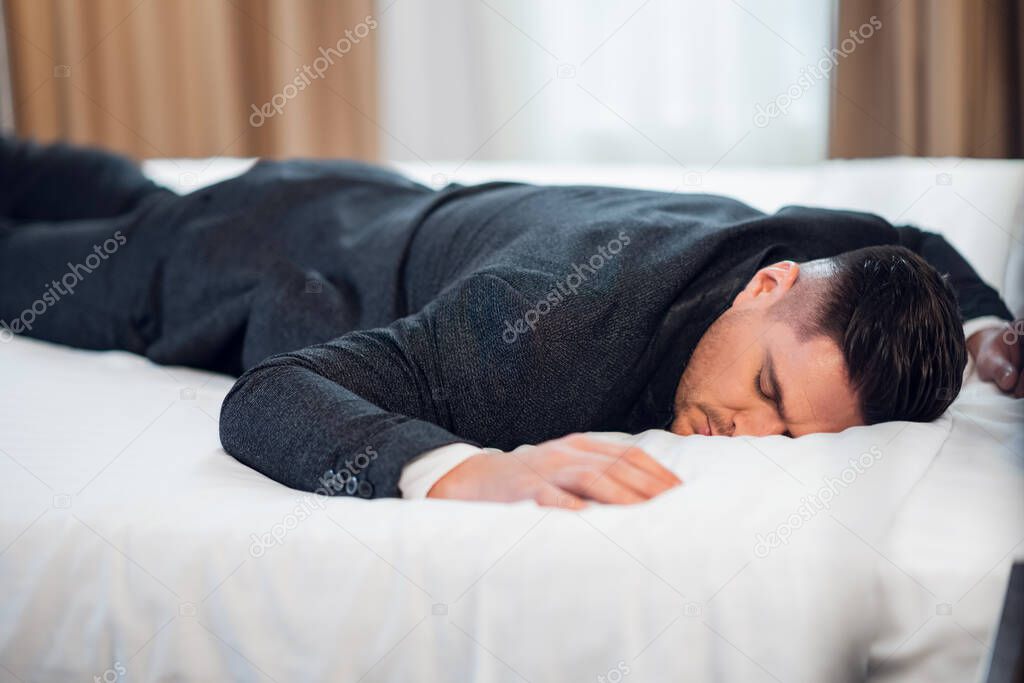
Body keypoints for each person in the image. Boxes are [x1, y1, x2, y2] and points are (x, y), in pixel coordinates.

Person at [1, 137, 1019, 508]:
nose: (748, 437)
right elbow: (272, 397)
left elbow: (909, 239)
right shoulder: (543, 328)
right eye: (763, 394)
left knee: (121, 189)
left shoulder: (807, 252)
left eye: (792, 435)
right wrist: (467, 469)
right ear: (766, 287)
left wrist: (980, 327)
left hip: (367, 191)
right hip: (248, 252)